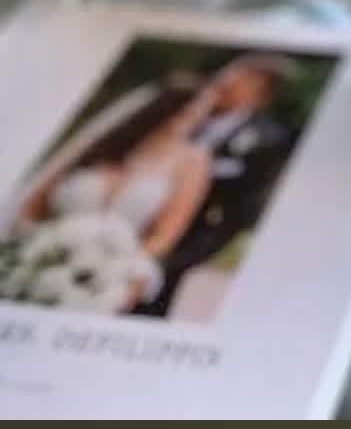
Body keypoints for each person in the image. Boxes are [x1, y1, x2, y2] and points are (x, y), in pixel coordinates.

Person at [17, 75, 222, 308]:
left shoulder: (193, 161)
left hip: (116, 267)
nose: (193, 114)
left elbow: (163, 237)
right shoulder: (105, 139)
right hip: (44, 249)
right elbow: (35, 202)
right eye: (187, 105)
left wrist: (113, 265)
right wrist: (37, 242)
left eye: (203, 110)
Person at [137, 55, 296, 318]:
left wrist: (183, 258)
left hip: (183, 241)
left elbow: (244, 207)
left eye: (250, 83)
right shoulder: (179, 111)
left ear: (261, 98)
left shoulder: (267, 139)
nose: (232, 84)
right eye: (234, 75)